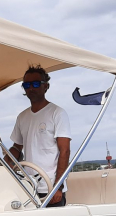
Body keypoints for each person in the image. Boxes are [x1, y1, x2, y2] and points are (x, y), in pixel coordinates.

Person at [6, 65, 71, 207]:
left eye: (35, 84)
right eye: (27, 85)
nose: (31, 88)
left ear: (46, 86)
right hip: (28, 187)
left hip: (51, 187)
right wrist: (5, 163)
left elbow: (65, 151)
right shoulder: (22, 117)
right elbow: (17, 147)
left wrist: (58, 187)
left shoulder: (57, 113)